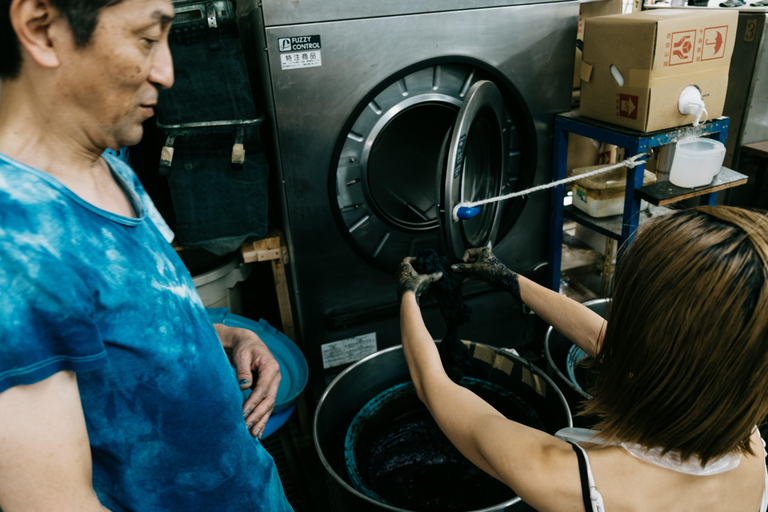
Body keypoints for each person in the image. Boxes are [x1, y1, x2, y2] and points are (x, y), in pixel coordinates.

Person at [0, 0, 292, 510]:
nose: (167, 71)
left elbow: (135, 318)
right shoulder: (16, 251)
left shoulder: (107, 162)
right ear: (41, 28)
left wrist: (223, 336)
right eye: (145, 38)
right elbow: (55, 500)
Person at [397, 205, 768, 512]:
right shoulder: (747, 440)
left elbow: (434, 385)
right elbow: (606, 341)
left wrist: (408, 295)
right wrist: (508, 277)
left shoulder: (567, 478)